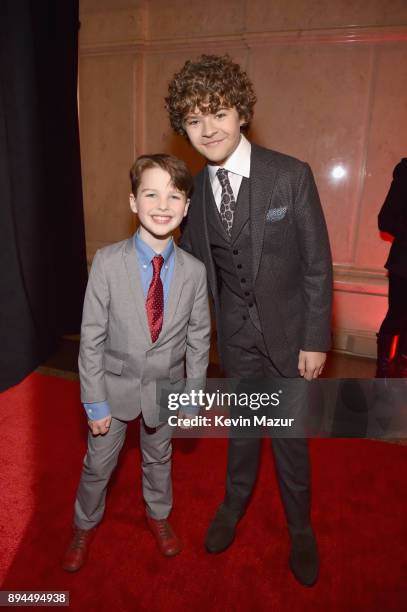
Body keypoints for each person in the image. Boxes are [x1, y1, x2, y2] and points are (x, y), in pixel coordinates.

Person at [165, 54, 333, 586]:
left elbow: (317, 266)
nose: (207, 128)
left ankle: (300, 528)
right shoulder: (192, 193)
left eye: (217, 112)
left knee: (287, 438)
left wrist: (314, 338)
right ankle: (232, 505)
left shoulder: (290, 176)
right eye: (193, 119)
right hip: (235, 341)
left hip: (289, 338)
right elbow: (192, 275)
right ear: (184, 129)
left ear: (241, 113)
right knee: (242, 432)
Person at [62, 154, 210, 571]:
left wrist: (193, 398)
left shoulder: (196, 273)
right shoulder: (108, 262)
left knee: (159, 460)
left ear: (186, 207)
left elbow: (199, 340)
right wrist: (95, 402)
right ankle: (84, 524)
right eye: (151, 194)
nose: (162, 205)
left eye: (174, 195)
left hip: (166, 392)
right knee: (98, 464)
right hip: (112, 392)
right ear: (133, 202)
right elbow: (90, 338)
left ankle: (158, 516)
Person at [377, 158, 407, 377]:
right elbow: (385, 220)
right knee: (396, 315)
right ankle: (384, 370)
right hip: (404, 262)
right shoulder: (406, 172)